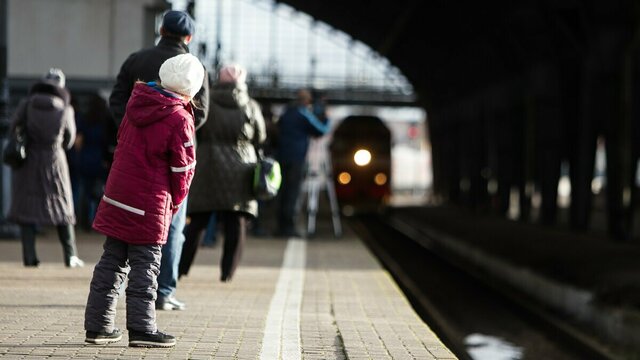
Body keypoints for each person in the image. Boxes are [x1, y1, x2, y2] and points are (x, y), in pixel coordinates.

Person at [84, 54, 203, 347]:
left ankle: (98, 327)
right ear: (192, 88)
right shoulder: (179, 117)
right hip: (149, 202)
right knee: (146, 267)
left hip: (117, 195)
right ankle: (142, 329)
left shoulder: (135, 104)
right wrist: (175, 202)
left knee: (111, 262)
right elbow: (183, 169)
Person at [108, 10, 209, 311]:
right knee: (172, 226)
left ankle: (117, 291)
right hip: (170, 161)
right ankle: (163, 291)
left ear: (161, 29)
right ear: (188, 38)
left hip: (132, 155)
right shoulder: (195, 68)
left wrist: (132, 129)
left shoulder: (135, 60)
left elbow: (116, 100)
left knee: (122, 224)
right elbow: (201, 112)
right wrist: (176, 131)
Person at [178, 64, 265, 282]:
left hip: (208, 165)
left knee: (198, 220)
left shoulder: (207, 102)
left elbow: (196, 126)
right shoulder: (251, 106)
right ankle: (227, 273)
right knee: (236, 222)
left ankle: (180, 269)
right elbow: (260, 136)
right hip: (241, 168)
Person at [7, 68, 84, 268]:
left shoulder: (27, 104)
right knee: (63, 206)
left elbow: (13, 127)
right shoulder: (66, 109)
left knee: (27, 208)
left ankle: (30, 257)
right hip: (54, 159)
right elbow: (69, 139)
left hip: (30, 158)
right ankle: (70, 256)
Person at [275, 89, 329, 237]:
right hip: (296, 158)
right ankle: (288, 228)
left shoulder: (286, 112)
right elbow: (321, 130)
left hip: (282, 156)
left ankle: (281, 226)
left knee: (282, 192)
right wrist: (325, 116)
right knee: (292, 193)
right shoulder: (303, 113)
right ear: (306, 101)